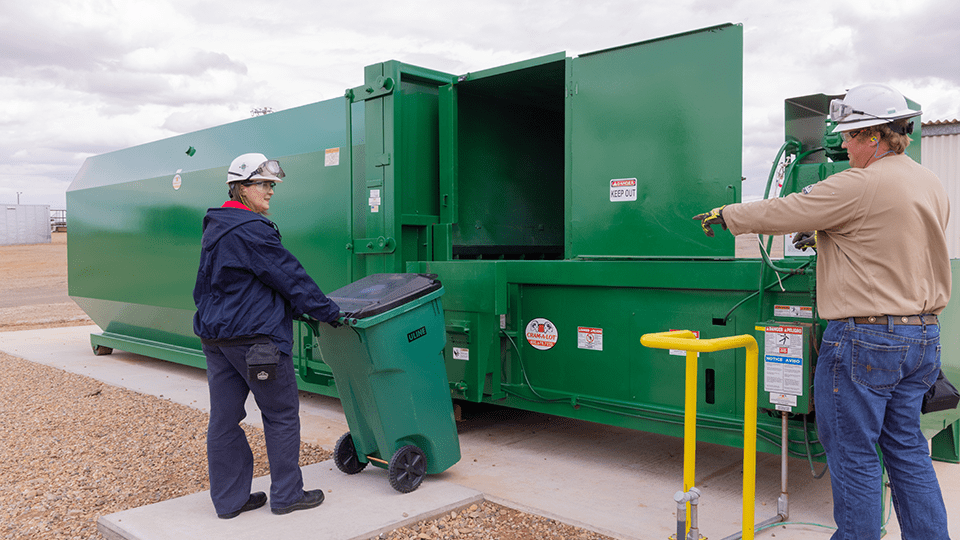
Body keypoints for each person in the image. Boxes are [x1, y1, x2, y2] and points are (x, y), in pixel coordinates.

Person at [694, 83, 951, 539]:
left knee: (853, 455)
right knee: (907, 449)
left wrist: (730, 214)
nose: (844, 146)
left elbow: (788, 209)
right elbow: (893, 239)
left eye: (849, 137)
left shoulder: (860, 183)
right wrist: (830, 235)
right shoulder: (928, 182)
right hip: (922, 339)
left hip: (865, 340)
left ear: (875, 135)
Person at [193, 153, 342, 519]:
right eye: (264, 185)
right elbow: (289, 277)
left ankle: (229, 501)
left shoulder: (217, 226)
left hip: (218, 340)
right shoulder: (251, 230)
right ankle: (288, 495)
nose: (270, 192)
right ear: (241, 188)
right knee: (281, 414)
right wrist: (330, 313)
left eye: (272, 186)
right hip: (256, 343)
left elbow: (220, 286)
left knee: (224, 419)